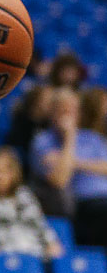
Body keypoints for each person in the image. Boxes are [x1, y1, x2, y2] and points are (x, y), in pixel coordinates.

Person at [31, 88, 107, 244]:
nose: (68, 115)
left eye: (72, 110)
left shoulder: (91, 138)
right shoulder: (42, 141)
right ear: (52, 113)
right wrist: (69, 137)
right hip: (79, 206)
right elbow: (60, 179)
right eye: (63, 110)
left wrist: (74, 163)